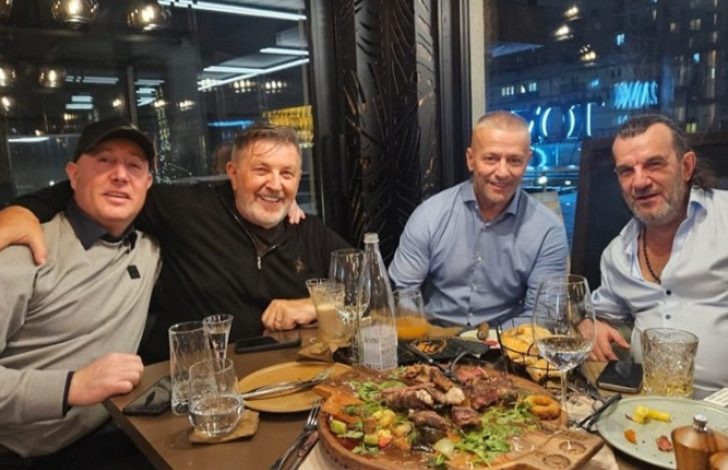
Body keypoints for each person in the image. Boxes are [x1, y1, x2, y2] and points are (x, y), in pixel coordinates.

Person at [0, 124, 349, 362]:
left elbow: (368, 284)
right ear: (232, 173)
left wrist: (315, 305)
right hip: (199, 386)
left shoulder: (309, 231)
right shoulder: (186, 209)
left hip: (296, 379)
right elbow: (103, 189)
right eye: (261, 170)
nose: (275, 184)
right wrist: (23, 210)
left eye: (287, 174)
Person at [0, 117, 160, 462]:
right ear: (73, 176)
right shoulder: (22, 252)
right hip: (19, 454)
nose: (120, 175)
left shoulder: (151, 250)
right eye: (104, 161)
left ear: (148, 183)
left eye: (134, 166)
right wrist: (72, 386)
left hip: (108, 435)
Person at [583, 113, 728, 397]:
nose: (639, 182)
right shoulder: (617, 255)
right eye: (627, 171)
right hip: (645, 407)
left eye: (654, 164)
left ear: (686, 167)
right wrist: (591, 323)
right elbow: (597, 313)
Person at [388, 111, 569, 327]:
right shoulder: (429, 215)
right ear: (471, 159)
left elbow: (543, 315)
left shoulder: (548, 230)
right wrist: (420, 330)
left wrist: (489, 341)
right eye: (491, 159)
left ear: (527, 161)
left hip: (506, 340)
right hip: (434, 338)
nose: (502, 172)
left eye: (514, 160)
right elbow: (401, 292)